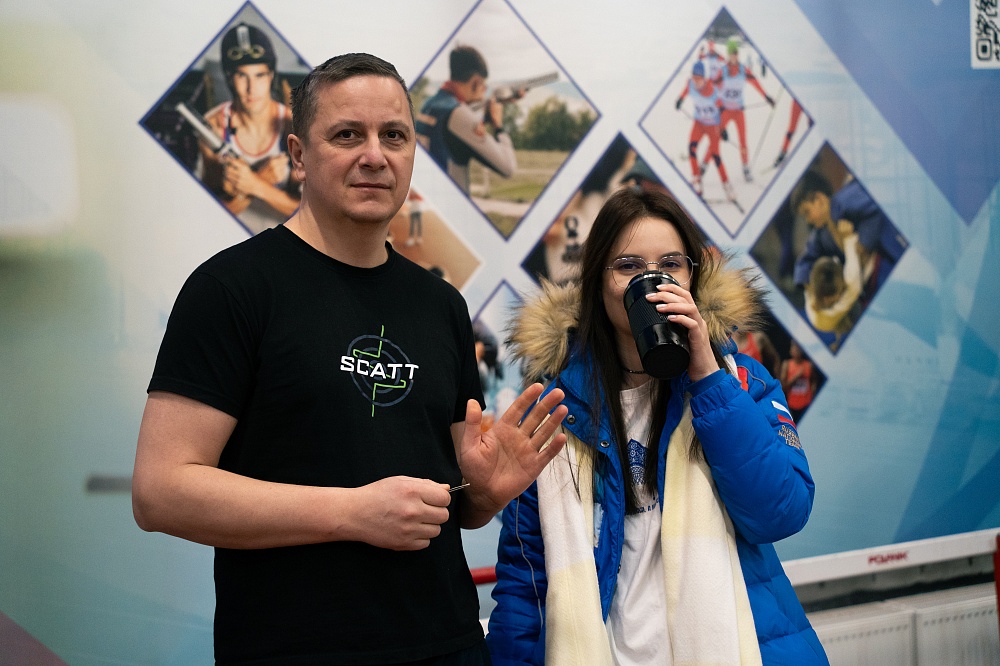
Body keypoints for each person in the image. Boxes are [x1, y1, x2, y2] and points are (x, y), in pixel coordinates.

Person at [132, 52, 570, 664]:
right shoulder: (231, 289)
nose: (374, 155)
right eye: (346, 135)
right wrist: (351, 512)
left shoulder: (441, 304)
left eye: (394, 136)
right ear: (298, 154)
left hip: (447, 646)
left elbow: (449, 504)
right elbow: (161, 491)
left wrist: (484, 493)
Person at [486, 187, 828, 665]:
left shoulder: (739, 382)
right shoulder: (555, 411)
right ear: (598, 282)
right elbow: (524, 587)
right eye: (628, 266)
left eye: (671, 265)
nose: (652, 281)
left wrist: (707, 376)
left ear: (692, 276)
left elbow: (781, 513)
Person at [197, 22, 302, 235]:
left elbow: (311, 214)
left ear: (271, 76)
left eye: (259, 75)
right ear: (229, 77)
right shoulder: (214, 127)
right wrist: (261, 181)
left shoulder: (294, 126)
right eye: (241, 75)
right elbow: (208, 217)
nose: (251, 88)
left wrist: (254, 185)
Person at [415, 45, 517, 194]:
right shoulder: (457, 113)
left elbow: (451, 135)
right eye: (483, 85)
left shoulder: (429, 104)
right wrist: (498, 126)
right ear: (475, 82)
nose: (484, 92)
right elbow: (508, 168)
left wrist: (484, 118)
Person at [791, 170, 908, 298]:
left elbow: (875, 208)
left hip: (889, 257)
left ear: (819, 199)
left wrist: (863, 243)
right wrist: (808, 286)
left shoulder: (844, 200)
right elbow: (806, 259)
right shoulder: (820, 234)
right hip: (867, 283)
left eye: (807, 212)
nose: (808, 220)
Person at [716, 38, 775, 183]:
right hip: (725, 111)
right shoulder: (723, 71)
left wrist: (767, 97)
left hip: (738, 112)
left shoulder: (743, 70)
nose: (734, 55)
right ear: (728, 54)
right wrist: (719, 107)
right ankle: (704, 166)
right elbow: (713, 91)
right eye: (732, 53)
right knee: (716, 137)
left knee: (743, 140)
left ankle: (745, 168)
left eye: (736, 52)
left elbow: (755, 83)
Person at [675, 61, 735, 201]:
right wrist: (680, 100)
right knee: (692, 148)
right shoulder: (690, 84)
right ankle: (697, 180)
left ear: (704, 78)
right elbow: (686, 90)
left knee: (716, 155)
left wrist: (723, 129)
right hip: (699, 123)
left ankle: (727, 185)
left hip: (713, 125)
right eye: (694, 78)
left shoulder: (712, 91)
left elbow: (722, 110)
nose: (696, 82)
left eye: (699, 78)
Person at [780, 340, 819, 422]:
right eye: (794, 348)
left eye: (799, 348)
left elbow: (814, 381)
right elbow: (783, 387)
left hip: (806, 405)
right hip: (791, 406)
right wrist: (796, 377)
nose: (797, 350)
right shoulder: (786, 365)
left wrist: (812, 392)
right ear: (790, 351)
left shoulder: (809, 365)